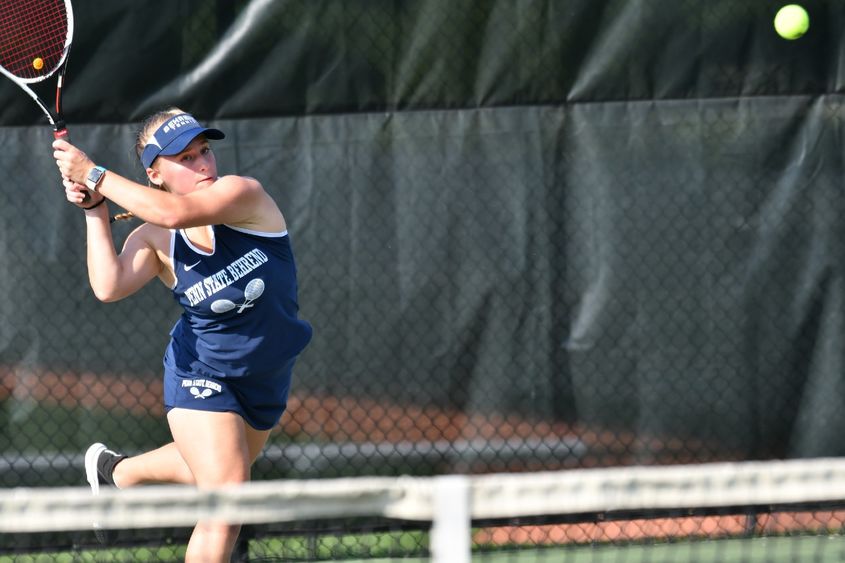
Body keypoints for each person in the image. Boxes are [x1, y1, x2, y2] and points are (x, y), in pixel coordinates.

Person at [53, 108, 313, 562]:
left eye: (204, 151)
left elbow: (174, 212)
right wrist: (95, 210)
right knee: (227, 500)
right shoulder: (156, 237)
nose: (203, 165)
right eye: (185, 158)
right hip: (200, 371)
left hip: (265, 375)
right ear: (155, 174)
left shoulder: (242, 194)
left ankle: (117, 473)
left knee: (220, 470)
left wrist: (92, 173)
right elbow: (109, 285)